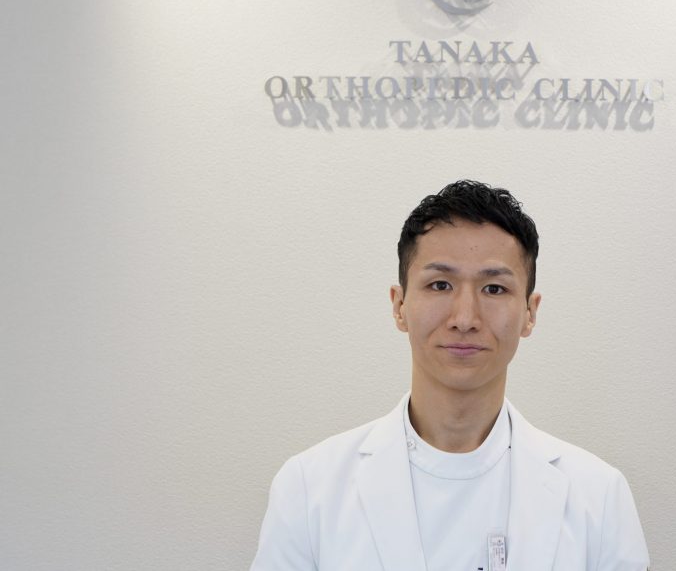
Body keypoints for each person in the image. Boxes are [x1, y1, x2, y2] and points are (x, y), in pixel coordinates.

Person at [249, 180, 651, 571]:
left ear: (530, 313)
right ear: (399, 305)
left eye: (494, 289)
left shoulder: (599, 497)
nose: (464, 318)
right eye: (440, 285)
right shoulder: (309, 489)